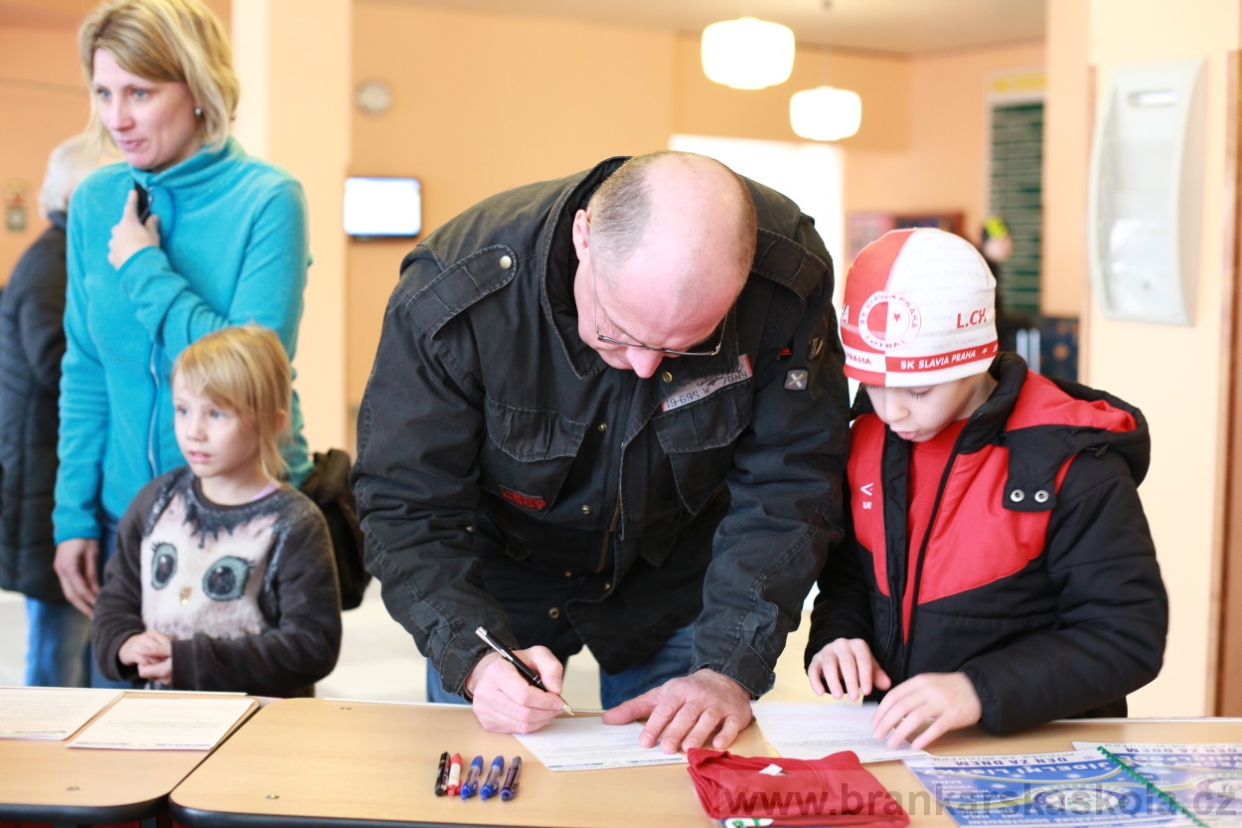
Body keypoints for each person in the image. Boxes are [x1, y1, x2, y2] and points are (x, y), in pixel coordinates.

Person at [353, 150, 849, 753]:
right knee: (488, 780)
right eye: (617, 331)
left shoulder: (786, 279)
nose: (643, 366)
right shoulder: (455, 294)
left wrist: (728, 668)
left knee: (669, 786)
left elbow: (790, 482)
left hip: (677, 576)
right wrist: (472, 657)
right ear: (583, 236)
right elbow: (405, 502)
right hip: (496, 579)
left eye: (685, 347)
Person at [805, 227, 1168, 750]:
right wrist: (839, 635)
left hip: (1042, 754)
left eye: (918, 389)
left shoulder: (1074, 463)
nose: (892, 411)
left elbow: (1126, 637)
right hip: (903, 748)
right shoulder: (866, 440)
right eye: (873, 385)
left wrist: (977, 690)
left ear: (975, 359)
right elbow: (849, 578)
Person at [52, 0, 314, 686]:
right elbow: (86, 368)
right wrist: (72, 514)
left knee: (245, 732)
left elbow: (247, 371)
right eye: (104, 93)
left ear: (198, 88)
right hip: (126, 519)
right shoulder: (96, 200)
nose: (117, 118)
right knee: (125, 729)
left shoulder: (268, 199)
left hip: (247, 519)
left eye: (140, 92)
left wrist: (144, 267)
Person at [91, 325, 341, 695]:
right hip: (159, 717)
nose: (194, 430)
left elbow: (312, 647)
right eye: (183, 409)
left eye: (217, 414)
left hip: (259, 721)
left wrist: (194, 661)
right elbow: (116, 600)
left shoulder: (295, 522)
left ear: (270, 424)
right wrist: (123, 642)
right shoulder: (155, 501)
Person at [0, 134, 113, 687]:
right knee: (58, 649)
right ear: (75, 192)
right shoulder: (52, 264)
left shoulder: (66, 254)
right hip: (48, 478)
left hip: (53, 467)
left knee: (79, 643)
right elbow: (59, 365)